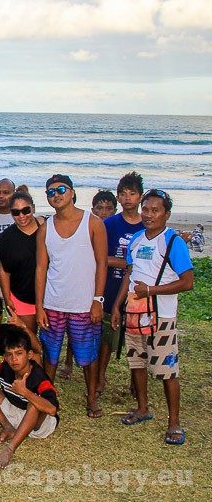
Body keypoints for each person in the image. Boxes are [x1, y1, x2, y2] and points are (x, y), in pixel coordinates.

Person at [111, 189, 193, 446]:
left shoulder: (172, 242)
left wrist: (152, 291)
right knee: (136, 362)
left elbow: (187, 282)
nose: (148, 215)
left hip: (162, 316)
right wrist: (117, 307)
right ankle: (142, 408)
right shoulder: (136, 239)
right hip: (134, 313)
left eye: (155, 210)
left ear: (166, 214)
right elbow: (129, 275)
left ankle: (174, 423)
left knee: (167, 369)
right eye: (145, 209)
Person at [35, 174, 107, 418]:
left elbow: (101, 263)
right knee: (51, 355)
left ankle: (91, 397)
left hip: (84, 305)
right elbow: (41, 269)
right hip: (53, 303)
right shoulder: (45, 229)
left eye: (61, 189)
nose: (56, 194)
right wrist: (39, 307)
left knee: (88, 355)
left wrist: (98, 300)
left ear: (73, 192)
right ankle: (48, 398)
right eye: (50, 192)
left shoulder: (93, 223)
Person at [0, 327, 59, 469]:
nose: (14, 359)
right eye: (9, 355)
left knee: (34, 404)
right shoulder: (5, 367)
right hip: (15, 411)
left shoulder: (39, 377)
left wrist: (25, 392)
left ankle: (9, 450)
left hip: (39, 425)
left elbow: (51, 409)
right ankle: (8, 427)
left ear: (29, 354)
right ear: (5, 357)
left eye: (19, 353)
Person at [94, 172, 144, 392]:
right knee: (106, 336)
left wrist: (129, 265)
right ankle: (100, 377)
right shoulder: (111, 223)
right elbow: (100, 256)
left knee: (137, 337)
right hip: (111, 286)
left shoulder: (147, 223)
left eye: (132, 194)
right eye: (123, 194)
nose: (127, 198)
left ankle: (136, 381)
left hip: (138, 290)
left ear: (140, 196)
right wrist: (127, 263)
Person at [0, 189, 43, 335]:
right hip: (20, 297)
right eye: (16, 212)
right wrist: (7, 298)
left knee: (50, 344)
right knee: (26, 340)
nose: (21, 216)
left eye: (26, 210)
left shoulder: (46, 230)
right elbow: (3, 271)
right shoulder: (7, 237)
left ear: (33, 208)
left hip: (49, 297)